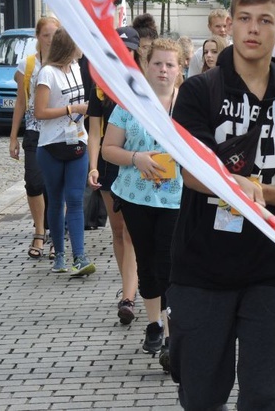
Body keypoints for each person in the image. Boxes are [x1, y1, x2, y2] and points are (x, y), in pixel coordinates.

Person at [168, 0, 275, 411]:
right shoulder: (200, 93)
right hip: (201, 268)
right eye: (244, 19)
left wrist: (263, 192)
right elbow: (191, 170)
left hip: (269, 269)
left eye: (265, 21)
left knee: (265, 397)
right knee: (200, 397)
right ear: (230, 27)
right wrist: (235, 187)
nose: (253, 29)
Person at [102, 38, 185, 372]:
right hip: (135, 196)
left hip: (177, 197)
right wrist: (136, 158)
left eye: (170, 65)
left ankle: (169, 334)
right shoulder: (128, 103)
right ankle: (152, 323)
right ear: (146, 66)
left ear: (180, 70)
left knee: (168, 263)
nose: (163, 70)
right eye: (158, 64)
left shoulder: (189, 104)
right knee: (147, 261)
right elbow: (108, 149)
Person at [87, 27, 140, 325]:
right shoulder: (100, 86)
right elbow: (94, 131)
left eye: (128, 50)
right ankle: (127, 289)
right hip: (108, 163)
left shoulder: (142, 84)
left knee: (134, 231)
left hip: (136, 164)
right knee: (118, 230)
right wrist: (92, 166)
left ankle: (135, 288)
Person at [34, 28, 96, 277]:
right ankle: (59, 254)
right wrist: (72, 108)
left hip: (77, 143)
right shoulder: (47, 73)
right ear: (69, 46)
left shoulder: (77, 69)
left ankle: (79, 256)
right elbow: (40, 112)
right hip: (51, 146)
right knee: (56, 201)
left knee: (75, 199)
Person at [8, 16, 59, 260]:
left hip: (60, 132)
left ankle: (57, 235)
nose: (50, 40)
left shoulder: (66, 63)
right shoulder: (27, 65)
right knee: (34, 182)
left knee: (56, 186)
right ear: (38, 37)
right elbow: (20, 103)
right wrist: (13, 137)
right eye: (46, 35)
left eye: (54, 35)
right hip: (34, 131)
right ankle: (40, 230)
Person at [187, 8, 231, 77]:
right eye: (218, 26)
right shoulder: (198, 55)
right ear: (209, 27)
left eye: (225, 26)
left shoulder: (236, 51)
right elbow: (191, 82)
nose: (222, 30)